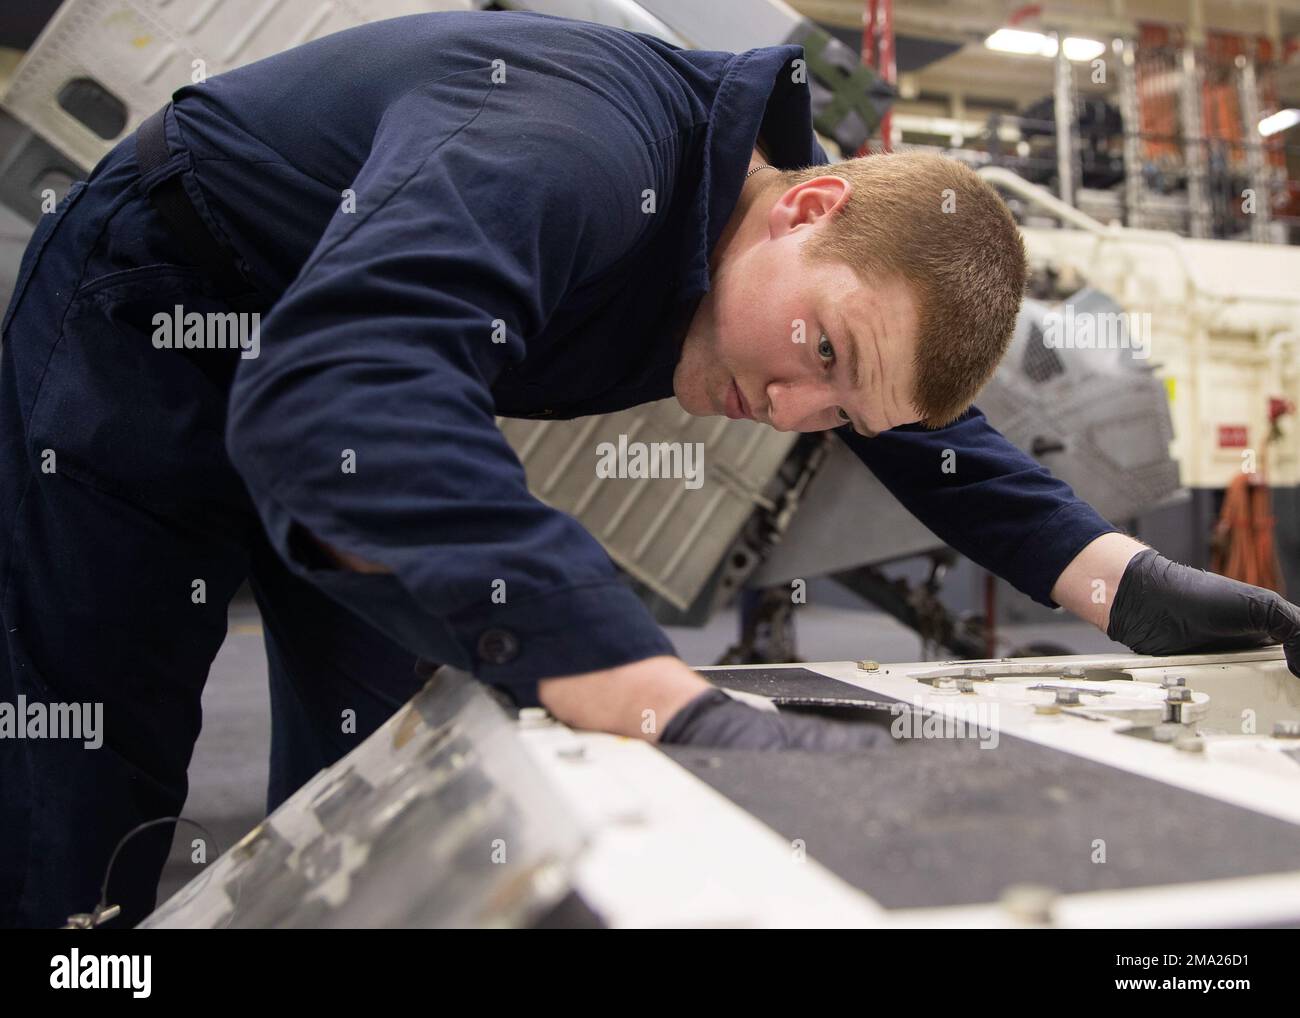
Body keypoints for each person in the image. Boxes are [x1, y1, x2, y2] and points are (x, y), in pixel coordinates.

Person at [2, 9, 1296, 928]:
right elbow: (331, 385)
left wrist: (1129, 585)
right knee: (93, 759)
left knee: (370, 760)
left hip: (346, 351)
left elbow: (916, 424)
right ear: (808, 202)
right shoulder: (568, 150)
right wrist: (657, 693)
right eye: (821, 353)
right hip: (160, 301)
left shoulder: (779, 270)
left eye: (834, 405)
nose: (790, 408)